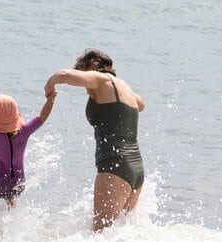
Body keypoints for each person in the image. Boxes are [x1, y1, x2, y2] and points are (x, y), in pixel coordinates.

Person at [45, 49, 147, 230]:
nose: (86, 88)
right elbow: (141, 105)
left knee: (99, 236)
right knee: (119, 237)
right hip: (136, 170)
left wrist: (49, 86)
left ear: (93, 66)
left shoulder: (102, 80)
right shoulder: (126, 88)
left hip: (115, 167)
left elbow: (63, 75)